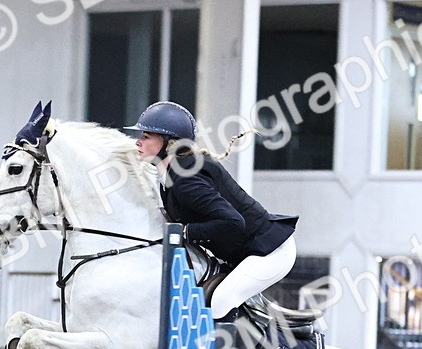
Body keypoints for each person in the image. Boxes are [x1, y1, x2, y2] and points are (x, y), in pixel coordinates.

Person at [126, 101, 298, 322]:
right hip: (248, 251)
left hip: (270, 252)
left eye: (147, 136)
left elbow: (233, 222)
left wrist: (186, 232)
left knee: (219, 303)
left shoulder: (186, 178)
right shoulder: (173, 174)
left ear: (169, 144)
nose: (138, 141)